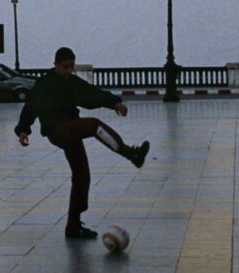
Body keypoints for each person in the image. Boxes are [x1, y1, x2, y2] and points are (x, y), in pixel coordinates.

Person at [15, 47, 151, 239]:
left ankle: (73, 225)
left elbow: (92, 94)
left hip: (71, 132)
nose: (68, 71)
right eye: (65, 66)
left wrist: (114, 102)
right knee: (94, 125)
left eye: (71, 66)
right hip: (57, 130)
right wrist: (23, 129)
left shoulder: (72, 82)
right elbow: (31, 106)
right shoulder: (44, 84)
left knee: (82, 176)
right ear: (55, 64)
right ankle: (131, 153)